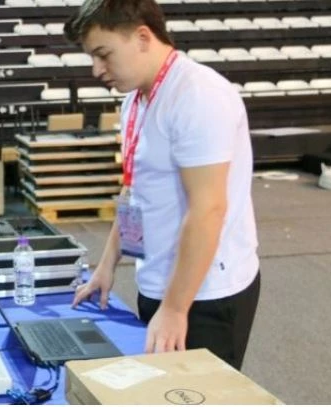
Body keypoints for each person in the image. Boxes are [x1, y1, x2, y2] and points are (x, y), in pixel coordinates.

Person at [65, 0, 261, 370]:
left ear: (142, 37)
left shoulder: (198, 96)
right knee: (163, 388)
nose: (96, 70)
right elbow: (134, 190)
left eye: (103, 55)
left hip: (204, 294)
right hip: (158, 282)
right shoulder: (135, 100)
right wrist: (107, 264)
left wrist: (174, 308)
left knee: (200, 392)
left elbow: (208, 209)